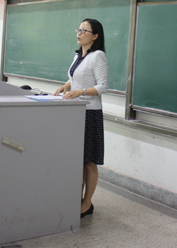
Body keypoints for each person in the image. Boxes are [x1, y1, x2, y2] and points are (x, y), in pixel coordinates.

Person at [54, 18, 108, 218]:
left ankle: (87, 203)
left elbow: (103, 86)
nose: (79, 33)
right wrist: (66, 85)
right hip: (76, 111)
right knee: (78, 159)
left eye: (84, 30)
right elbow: (75, 79)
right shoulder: (79, 55)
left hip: (90, 112)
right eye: (79, 29)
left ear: (95, 36)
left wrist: (81, 92)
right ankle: (74, 198)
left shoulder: (98, 56)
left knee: (89, 161)